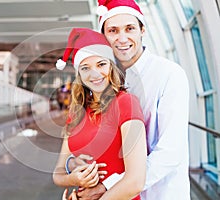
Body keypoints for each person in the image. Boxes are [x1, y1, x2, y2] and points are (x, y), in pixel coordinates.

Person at [66, 0, 191, 199]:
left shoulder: (169, 74)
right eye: (113, 31)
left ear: (142, 30)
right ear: (104, 38)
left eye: (130, 28)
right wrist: (74, 167)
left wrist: (109, 186)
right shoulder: (103, 78)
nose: (122, 38)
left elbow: (170, 152)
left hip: (160, 193)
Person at [53, 27, 147, 200]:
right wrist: (73, 178)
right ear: (79, 74)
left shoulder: (126, 103)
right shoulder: (76, 111)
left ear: (111, 66)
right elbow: (57, 174)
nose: (94, 74)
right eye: (85, 68)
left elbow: (136, 181)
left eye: (101, 64)